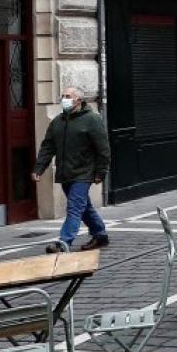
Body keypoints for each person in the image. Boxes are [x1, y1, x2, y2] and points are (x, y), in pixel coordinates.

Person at [35, 84, 111, 254]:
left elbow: (103, 150)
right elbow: (48, 147)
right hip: (65, 173)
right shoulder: (57, 122)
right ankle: (100, 234)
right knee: (84, 207)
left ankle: (64, 242)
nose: (64, 99)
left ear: (78, 100)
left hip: (84, 173)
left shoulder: (92, 120)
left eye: (68, 96)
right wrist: (39, 168)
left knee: (74, 207)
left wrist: (101, 173)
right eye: (63, 96)